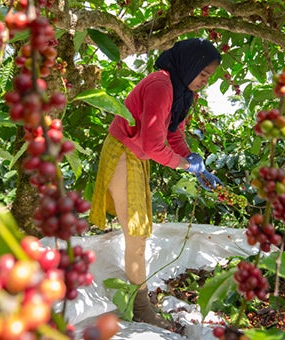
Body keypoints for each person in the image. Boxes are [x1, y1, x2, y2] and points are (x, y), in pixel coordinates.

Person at [89, 38, 223, 328]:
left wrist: (194, 161)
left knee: (139, 231)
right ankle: (140, 306)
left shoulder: (181, 92)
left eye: (208, 77)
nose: (204, 82)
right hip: (125, 152)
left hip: (136, 154)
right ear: (190, 65)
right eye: (203, 74)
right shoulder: (162, 86)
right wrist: (185, 165)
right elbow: (152, 145)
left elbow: (172, 135)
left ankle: (139, 296)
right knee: (137, 234)